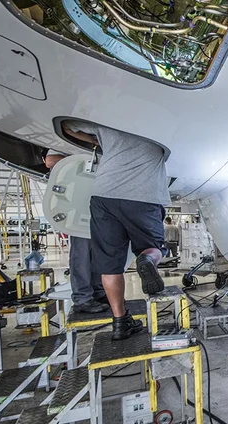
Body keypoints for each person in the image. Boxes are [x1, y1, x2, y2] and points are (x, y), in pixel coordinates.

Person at [62, 121, 169, 340]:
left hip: (105, 196)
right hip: (144, 196)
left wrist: (98, 140)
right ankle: (147, 261)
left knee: (110, 264)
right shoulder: (161, 124)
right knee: (153, 248)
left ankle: (120, 322)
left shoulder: (108, 120)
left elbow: (67, 126)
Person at [44, 150, 109, 314]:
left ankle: (99, 293)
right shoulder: (65, 142)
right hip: (80, 205)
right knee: (81, 255)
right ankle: (82, 298)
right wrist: (85, 161)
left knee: (100, 254)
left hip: (100, 205)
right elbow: (50, 161)